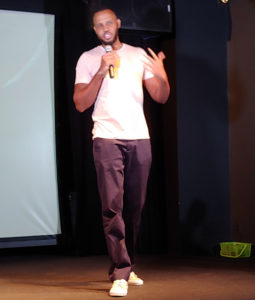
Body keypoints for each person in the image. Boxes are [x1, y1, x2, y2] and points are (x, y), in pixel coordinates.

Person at [73, 8, 170, 297]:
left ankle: (127, 265)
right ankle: (119, 272)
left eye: (108, 23)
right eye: (98, 25)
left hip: (139, 137)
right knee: (112, 207)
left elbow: (161, 96)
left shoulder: (139, 54)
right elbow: (80, 103)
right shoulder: (88, 59)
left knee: (135, 208)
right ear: (94, 29)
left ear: (117, 24)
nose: (104, 28)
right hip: (106, 138)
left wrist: (162, 76)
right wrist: (101, 72)